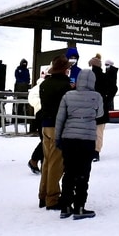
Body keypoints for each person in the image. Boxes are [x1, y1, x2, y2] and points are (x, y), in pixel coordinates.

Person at [55, 66, 104, 219]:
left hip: (69, 138)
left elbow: (60, 118)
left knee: (69, 172)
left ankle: (65, 207)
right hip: (87, 140)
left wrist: (58, 138)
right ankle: (80, 207)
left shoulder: (68, 95)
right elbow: (100, 114)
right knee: (83, 173)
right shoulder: (97, 96)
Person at [38, 56, 72, 210]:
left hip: (45, 126)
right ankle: (52, 198)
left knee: (46, 161)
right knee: (56, 163)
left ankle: (43, 195)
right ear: (64, 69)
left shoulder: (45, 84)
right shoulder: (65, 86)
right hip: (58, 127)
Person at [90, 55, 117, 162]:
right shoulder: (104, 76)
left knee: (90, 131)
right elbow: (114, 88)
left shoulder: (89, 77)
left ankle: (91, 150)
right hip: (102, 108)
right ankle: (96, 152)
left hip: (90, 108)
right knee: (99, 131)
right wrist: (107, 99)